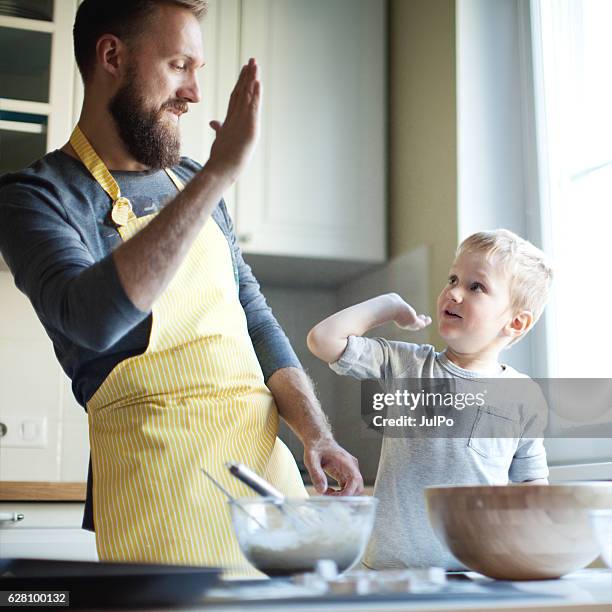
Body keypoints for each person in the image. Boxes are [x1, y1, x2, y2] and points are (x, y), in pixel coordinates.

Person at [0, 0, 362, 569]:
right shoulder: (37, 197)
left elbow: (253, 315)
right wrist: (219, 175)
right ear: (111, 56)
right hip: (162, 490)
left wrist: (315, 434)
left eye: (198, 72)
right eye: (178, 65)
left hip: (267, 480)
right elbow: (91, 319)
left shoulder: (191, 180)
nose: (194, 93)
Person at [307, 229, 553, 569]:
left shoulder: (524, 396)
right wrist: (387, 305)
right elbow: (323, 339)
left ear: (515, 322)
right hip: (389, 572)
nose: (453, 292)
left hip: (475, 574)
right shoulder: (407, 364)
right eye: (453, 278)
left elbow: (531, 483)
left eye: (475, 286)